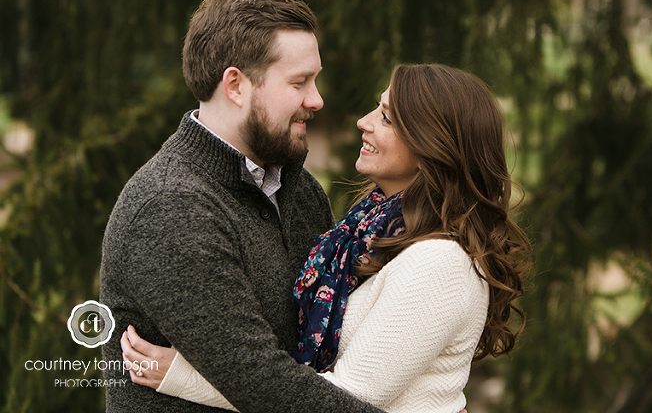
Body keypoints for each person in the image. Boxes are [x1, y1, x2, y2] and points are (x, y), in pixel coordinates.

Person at [121, 64, 533, 413]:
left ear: (434, 147)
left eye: (386, 117)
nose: (364, 121)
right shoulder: (368, 235)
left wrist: (187, 379)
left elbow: (347, 400)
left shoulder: (441, 263)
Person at [99, 0, 385, 413]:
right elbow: (263, 383)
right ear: (235, 85)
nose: (317, 99)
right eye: (299, 82)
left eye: (316, 79)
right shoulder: (169, 208)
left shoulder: (300, 191)